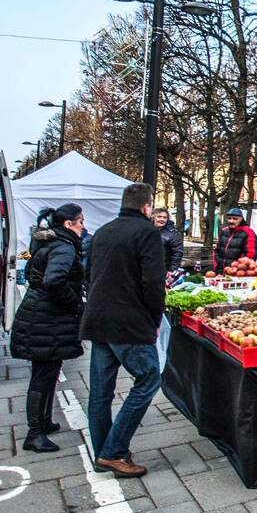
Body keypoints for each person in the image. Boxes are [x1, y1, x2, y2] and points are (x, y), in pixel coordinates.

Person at [80, 183, 165, 478]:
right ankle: (114, 452)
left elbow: (88, 274)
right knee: (149, 378)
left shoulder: (103, 231)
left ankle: (103, 451)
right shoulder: (147, 233)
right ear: (146, 206)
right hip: (128, 322)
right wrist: (155, 319)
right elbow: (153, 283)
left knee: (101, 392)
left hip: (98, 319)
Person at [10, 204, 86, 453]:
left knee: (47, 371)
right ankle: (35, 433)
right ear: (68, 224)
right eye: (80, 221)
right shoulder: (64, 247)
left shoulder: (47, 244)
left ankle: (43, 422)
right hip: (48, 318)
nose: (82, 226)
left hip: (39, 314)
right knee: (43, 376)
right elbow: (54, 281)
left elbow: (36, 274)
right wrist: (74, 301)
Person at [215, 208, 257, 272]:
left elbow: (250, 254)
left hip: (237, 272)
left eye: (235, 219)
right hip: (220, 271)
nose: (231, 221)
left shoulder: (248, 232)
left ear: (241, 219)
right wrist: (216, 265)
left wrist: (237, 268)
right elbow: (217, 250)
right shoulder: (224, 231)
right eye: (229, 218)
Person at [153, 208, 184, 273]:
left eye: (165, 217)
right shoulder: (147, 230)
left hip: (164, 270)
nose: (162, 219)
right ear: (153, 217)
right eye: (159, 217)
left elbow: (177, 254)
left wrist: (171, 271)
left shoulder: (173, 234)